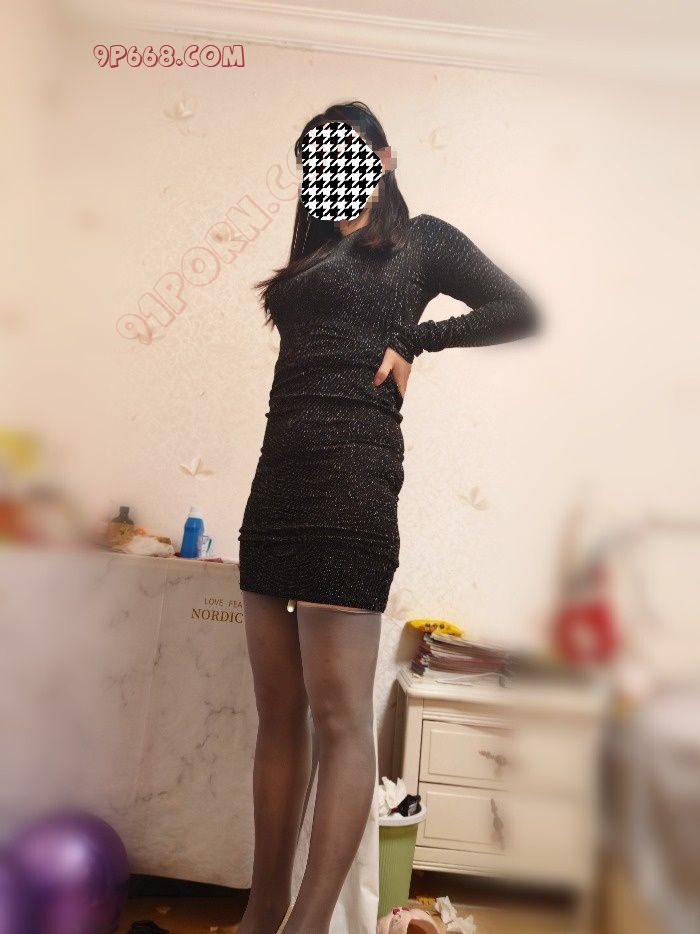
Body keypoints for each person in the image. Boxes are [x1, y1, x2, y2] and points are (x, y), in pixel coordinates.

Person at [236, 101, 540, 934]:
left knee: (339, 721)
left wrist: (418, 339)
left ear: (384, 155)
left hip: (352, 486)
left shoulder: (422, 240)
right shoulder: (314, 253)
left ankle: (304, 928)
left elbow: (518, 308)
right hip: (277, 485)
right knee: (277, 719)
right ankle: (261, 916)